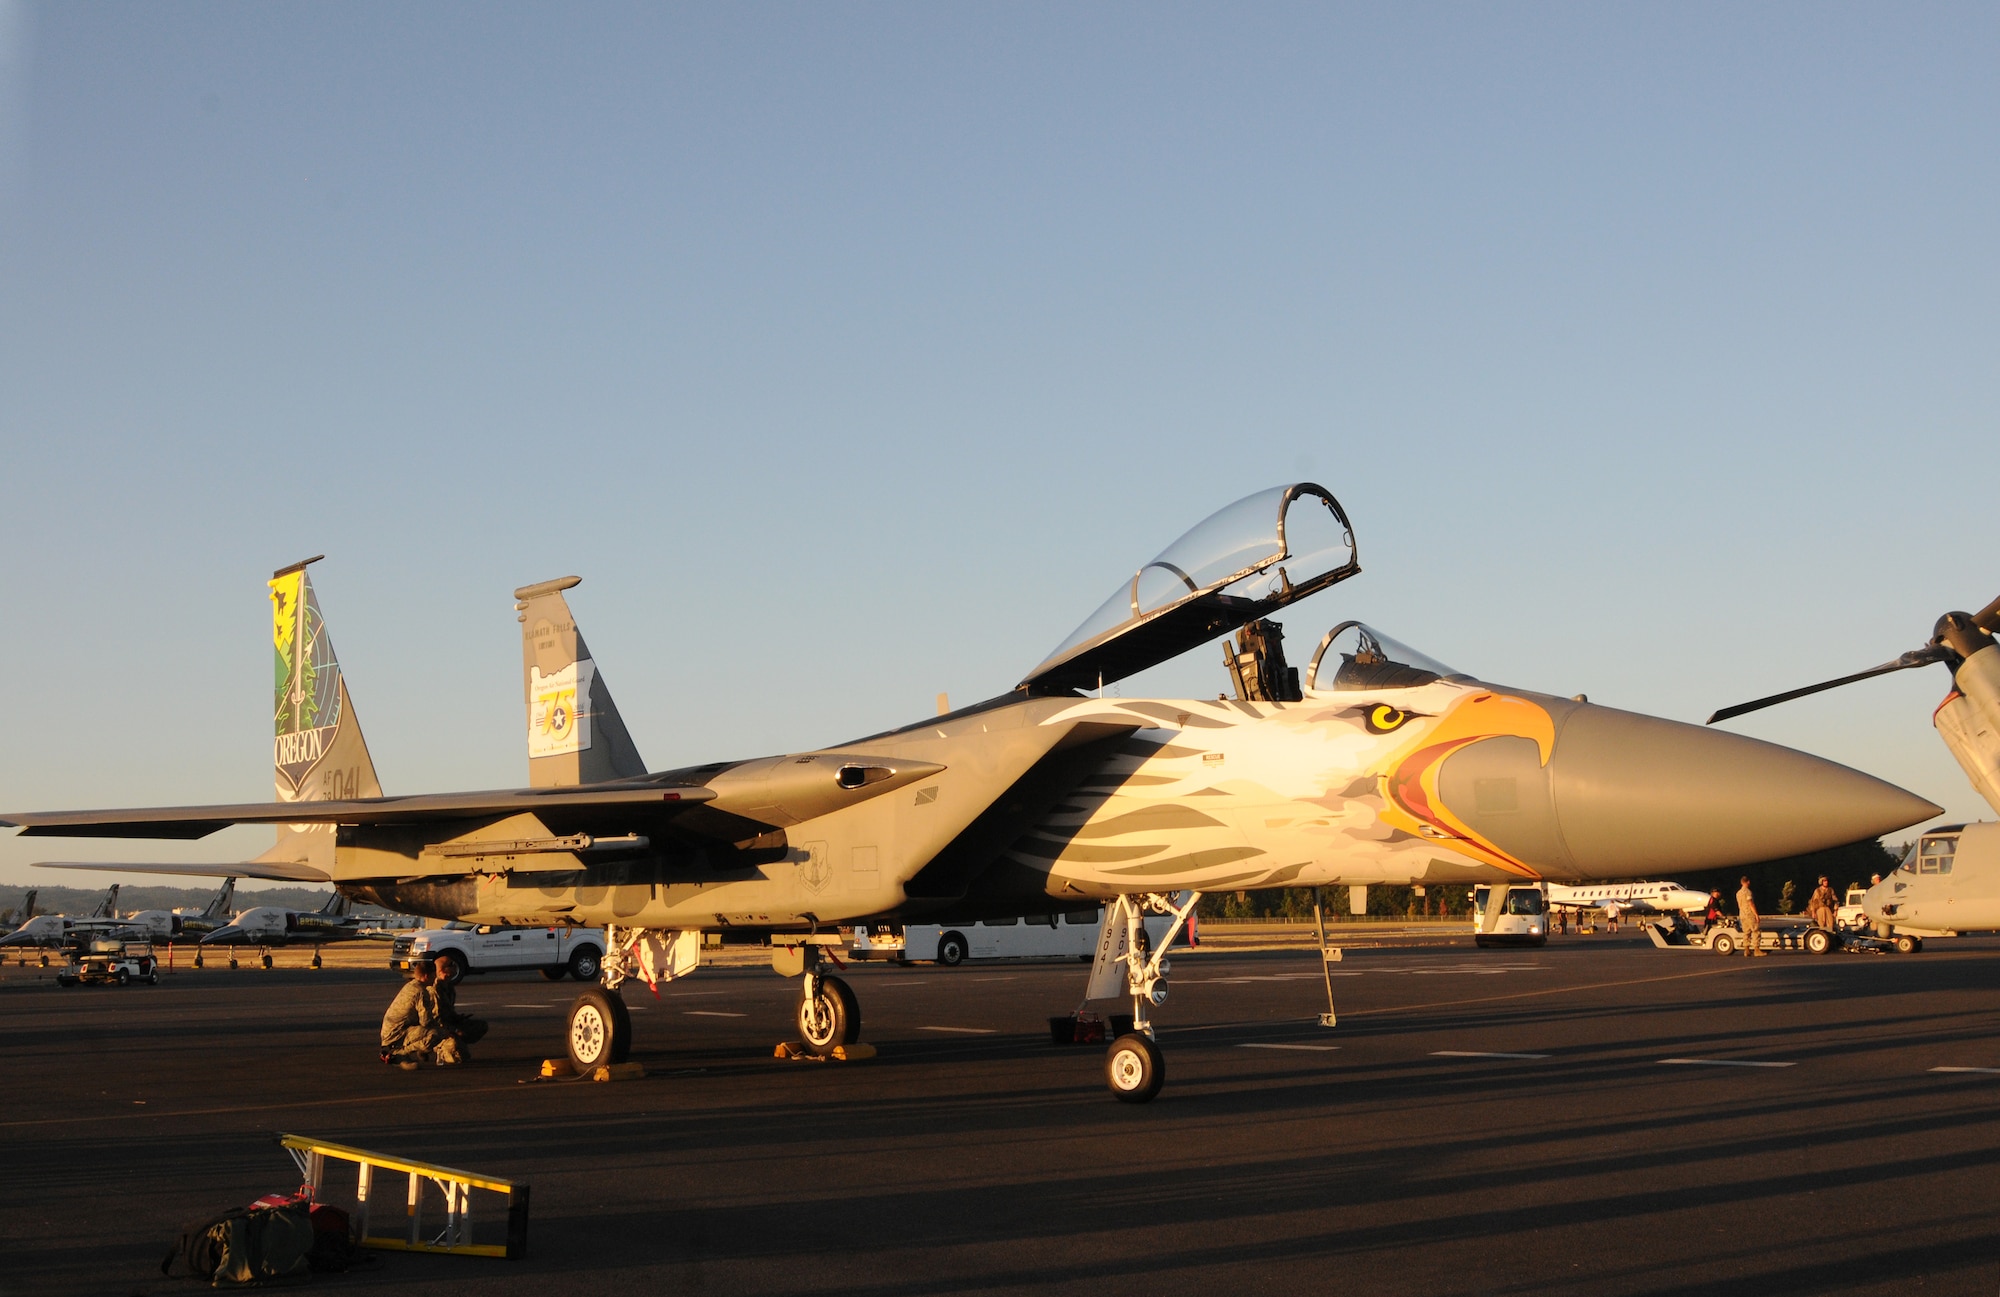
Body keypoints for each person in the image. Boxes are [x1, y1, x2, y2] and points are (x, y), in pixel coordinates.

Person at [381, 958, 448, 1069]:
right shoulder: (421, 992)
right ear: (427, 976)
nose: (435, 978)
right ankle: (399, 1054)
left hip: (391, 1032)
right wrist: (445, 1029)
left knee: (432, 1031)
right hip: (397, 1035)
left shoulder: (410, 986)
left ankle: (404, 1052)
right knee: (437, 1033)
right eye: (433, 975)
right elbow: (426, 1021)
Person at [1736, 876, 1763, 956]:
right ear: (1748, 882)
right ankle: (1756, 950)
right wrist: (1756, 914)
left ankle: (1746, 950)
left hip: (1742, 914)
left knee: (1746, 932)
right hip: (1749, 914)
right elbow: (1750, 903)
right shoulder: (1748, 892)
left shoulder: (1738, 893)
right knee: (1755, 931)